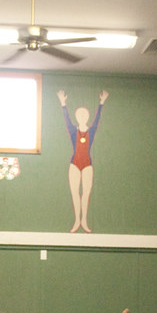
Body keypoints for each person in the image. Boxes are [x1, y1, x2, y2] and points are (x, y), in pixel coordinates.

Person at [57, 89, 108, 233]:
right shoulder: (73, 131)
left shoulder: (91, 131)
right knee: (75, 193)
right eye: (79, 114)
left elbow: (97, 120)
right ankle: (76, 221)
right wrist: (63, 103)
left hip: (87, 165)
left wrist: (102, 102)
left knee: (86, 194)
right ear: (76, 117)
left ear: (87, 117)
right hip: (74, 164)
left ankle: (84, 220)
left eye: (84, 114)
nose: (82, 116)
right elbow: (66, 120)